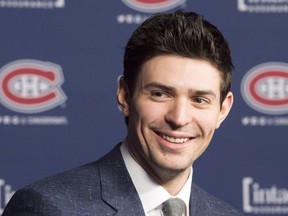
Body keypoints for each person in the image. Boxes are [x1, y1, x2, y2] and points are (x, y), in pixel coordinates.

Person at [3, 11, 243, 216]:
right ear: (125, 96)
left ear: (223, 109)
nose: (179, 118)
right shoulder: (48, 207)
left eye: (199, 100)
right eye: (160, 94)